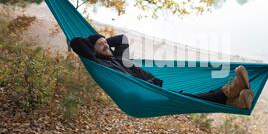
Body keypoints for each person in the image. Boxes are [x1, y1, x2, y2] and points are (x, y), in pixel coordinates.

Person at [70, 33, 254, 109]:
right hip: (142, 93)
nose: (105, 45)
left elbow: (122, 38)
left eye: (105, 42)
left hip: (150, 87)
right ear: (92, 50)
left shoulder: (120, 58)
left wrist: (103, 42)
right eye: (99, 45)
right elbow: (76, 42)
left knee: (190, 97)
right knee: (188, 98)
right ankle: (230, 91)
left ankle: (235, 99)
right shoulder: (100, 64)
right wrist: (94, 45)